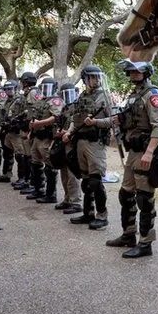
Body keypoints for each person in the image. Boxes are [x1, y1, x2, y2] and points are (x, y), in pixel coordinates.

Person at [89, 60, 158, 258]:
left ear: (146, 72)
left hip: (144, 152)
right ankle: (128, 234)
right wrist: (111, 121)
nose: (132, 73)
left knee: (145, 198)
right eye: (130, 71)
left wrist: (149, 152)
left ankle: (146, 243)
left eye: (136, 71)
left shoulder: (152, 95)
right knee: (125, 194)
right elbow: (124, 119)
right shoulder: (134, 96)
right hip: (133, 152)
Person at [68, 66, 112, 228]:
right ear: (85, 79)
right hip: (80, 141)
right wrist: (70, 132)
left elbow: (113, 120)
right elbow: (75, 118)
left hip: (95, 143)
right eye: (92, 77)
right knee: (86, 181)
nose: (95, 80)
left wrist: (96, 122)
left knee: (95, 181)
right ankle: (88, 213)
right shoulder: (82, 96)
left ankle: (102, 216)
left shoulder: (104, 97)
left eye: (97, 77)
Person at [27, 76, 63, 203]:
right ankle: (38, 189)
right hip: (37, 136)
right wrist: (31, 131)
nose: (45, 90)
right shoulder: (41, 100)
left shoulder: (55, 101)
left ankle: (51, 194)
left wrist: (40, 123)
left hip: (47, 137)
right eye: (43, 88)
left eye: (48, 88)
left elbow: (56, 117)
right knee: (35, 163)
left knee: (49, 166)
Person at [52, 82, 83, 214]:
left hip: (73, 143)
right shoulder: (64, 108)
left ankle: (75, 201)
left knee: (72, 175)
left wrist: (68, 133)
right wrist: (59, 133)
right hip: (63, 143)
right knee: (64, 173)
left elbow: (76, 123)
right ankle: (67, 199)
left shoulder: (79, 106)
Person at [10, 72, 38, 192]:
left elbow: (33, 111)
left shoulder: (33, 92)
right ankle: (27, 180)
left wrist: (30, 129)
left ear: (26, 82)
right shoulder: (27, 93)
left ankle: (31, 182)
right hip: (25, 128)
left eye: (22, 82)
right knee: (27, 156)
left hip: (29, 129)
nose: (21, 84)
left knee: (30, 157)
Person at [0, 79, 19, 183]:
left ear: (15, 89)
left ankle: (24, 179)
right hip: (5, 130)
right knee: (7, 153)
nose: (8, 91)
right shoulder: (7, 100)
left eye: (10, 89)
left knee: (20, 155)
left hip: (16, 131)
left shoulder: (19, 100)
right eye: (6, 89)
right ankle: (6, 174)